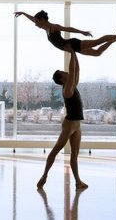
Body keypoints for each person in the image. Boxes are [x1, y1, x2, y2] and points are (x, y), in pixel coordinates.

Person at [37, 45, 87, 190]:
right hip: (69, 124)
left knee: (75, 153)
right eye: (63, 72)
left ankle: (78, 182)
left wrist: (75, 53)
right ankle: (44, 175)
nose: (66, 72)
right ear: (61, 78)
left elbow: (76, 70)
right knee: (57, 148)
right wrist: (71, 51)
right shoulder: (67, 89)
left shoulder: (72, 85)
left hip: (77, 125)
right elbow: (72, 70)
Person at [14, 10, 116, 56]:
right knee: (98, 52)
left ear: (42, 20)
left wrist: (82, 32)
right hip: (72, 48)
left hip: (72, 44)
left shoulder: (53, 27)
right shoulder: (45, 29)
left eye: (37, 22)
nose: (35, 24)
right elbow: (32, 19)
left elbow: (68, 29)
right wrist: (24, 13)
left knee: (97, 42)